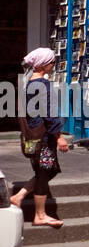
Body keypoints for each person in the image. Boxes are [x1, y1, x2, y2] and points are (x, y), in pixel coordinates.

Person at [10, 48, 70, 228]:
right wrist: (59, 136)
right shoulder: (42, 85)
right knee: (44, 173)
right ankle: (40, 215)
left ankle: (19, 196)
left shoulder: (29, 83)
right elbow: (49, 114)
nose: (54, 65)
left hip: (34, 135)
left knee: (47, 170)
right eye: (52, 62)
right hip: (43, 137)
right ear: (44, 65)